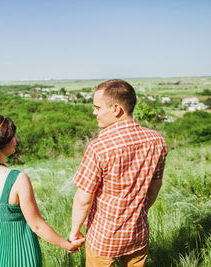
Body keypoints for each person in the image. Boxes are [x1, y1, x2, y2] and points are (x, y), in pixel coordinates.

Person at [69, 79, 168, 267]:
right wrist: (140, 211)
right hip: (138, 232)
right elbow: (155, 186)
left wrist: (75, 231)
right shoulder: (157, 141)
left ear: (115, 109)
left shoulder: (99, 148)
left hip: (104, 237)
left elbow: (83, 199)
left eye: (97, 108)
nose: (94, 112)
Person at [0, 114, 85, 267]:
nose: (17, 140)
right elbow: (37, 225)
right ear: (2, 141)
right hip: (21, 256)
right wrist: (68, 245)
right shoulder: (18, 179)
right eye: (13, 136)